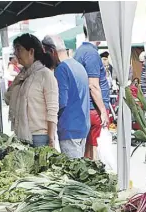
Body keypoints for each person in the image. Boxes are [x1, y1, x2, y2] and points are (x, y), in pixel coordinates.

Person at [4, 33, 59, 147]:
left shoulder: (45, 75)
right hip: (20, 135)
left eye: (19, 50)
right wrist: (17, 81)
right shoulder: (22, 76)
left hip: (40, 137)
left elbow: (52, 109)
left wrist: (51, 138)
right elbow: (7, 98)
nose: (15, 54)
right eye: (15, 50)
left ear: (31, 51)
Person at [43, 35, 90, 159]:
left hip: (69, 128)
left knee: (72, 173)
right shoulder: (78, 65)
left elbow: (61, 102)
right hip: (83, 126)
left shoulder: (62, 69)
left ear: (51, 52)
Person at [74, 26, 110, 160]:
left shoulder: (80, 51)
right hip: (93, 109)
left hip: (86, 107)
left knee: (87, 150)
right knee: (94, 151)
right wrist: (103, 111)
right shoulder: (91, 54)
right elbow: (93, 86)